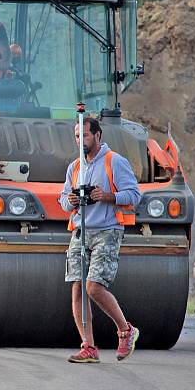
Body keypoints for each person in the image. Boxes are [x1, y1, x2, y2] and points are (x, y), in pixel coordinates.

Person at [59, 117, 142, 363]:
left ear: (97, 135)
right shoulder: (74, 167)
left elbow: (134, 195)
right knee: (77, 290)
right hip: (80, 232)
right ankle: (89, 347)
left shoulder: (114, 162)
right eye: (76, 136)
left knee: (93, 287)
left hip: (107, 230)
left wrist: (106, 196)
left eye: (84, 135)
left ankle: (126, 331)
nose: (80, 140)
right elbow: (63, 200)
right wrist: (71, 201)